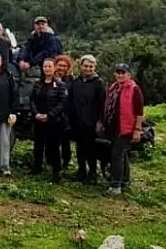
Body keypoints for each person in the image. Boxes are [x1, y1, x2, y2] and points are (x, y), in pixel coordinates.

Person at [101, 63, 144, 196]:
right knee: (122, 154)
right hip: (112, 127)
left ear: (128, 75)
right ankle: (124, 180)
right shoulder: (113, 87)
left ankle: (115, 186)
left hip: (125, 128)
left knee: (117, 155)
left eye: (123, 73)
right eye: (118, 72)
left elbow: (139, 111)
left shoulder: (134, 89)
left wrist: (137, 129)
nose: (120, 75)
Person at [29, 58, 68, 182]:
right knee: (38, 145)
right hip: (38, 120)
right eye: (45, 66)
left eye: (50, 66)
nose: (47, 69)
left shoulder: (60, 85)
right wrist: (36, 114)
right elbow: (32, 100)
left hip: (53, 122)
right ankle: (37, 167)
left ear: (54, 68)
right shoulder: (37, 84)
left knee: (53, 147)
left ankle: (56, 172)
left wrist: (49, 115)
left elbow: (62, 103)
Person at [70, 55, 106, 184]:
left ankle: (92, 173)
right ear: (81, 66)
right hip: (77, 121)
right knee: (80, 148)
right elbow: (71, 100)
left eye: (91, 67)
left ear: (94, 67)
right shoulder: (76, 82)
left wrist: (100, 121)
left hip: (91, 122)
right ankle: (81, 171)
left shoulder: (98, 83)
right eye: (86, 66)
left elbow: (102, 103)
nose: (88, 69)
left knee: (91, 149)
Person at [54, 54, 74, 170]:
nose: (61, 68)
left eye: (64, 66)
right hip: (52, 114)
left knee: (65, 141)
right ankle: (53, 161)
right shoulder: (49, 78)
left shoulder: (71, 81)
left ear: (68, 68)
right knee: (52, 140)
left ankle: (66, 161)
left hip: (65, 115)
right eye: (59, 65)